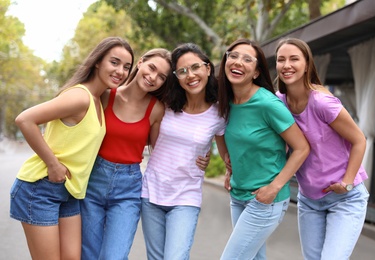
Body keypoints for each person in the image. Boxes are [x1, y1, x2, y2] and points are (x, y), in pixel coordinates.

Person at [9, 36, 134, 260]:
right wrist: (53, 164)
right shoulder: (80, 97)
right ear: (98, 62)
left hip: (70, 192)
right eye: (114, 62)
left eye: (127, 67)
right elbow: (24, 119)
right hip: (40, 188)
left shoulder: (99, 99)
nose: (121, 71)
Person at [275, 37, 369, 260]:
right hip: (309, 200)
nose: (286, 65)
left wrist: (346, 183)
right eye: (281, 60)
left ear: (307, 64)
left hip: (346, 198)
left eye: (294, 59)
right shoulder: (279, 103)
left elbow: (359, 140)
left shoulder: (322, 102)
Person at [217, 38, 310, 260]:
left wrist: (275, 187)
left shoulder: (268, 104)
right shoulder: (226, 102)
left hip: (266, 200)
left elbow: (301, 148)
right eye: (233, 56)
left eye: (247, 59)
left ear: (256, 72)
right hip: (238, 196)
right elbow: (226, 136)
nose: (238, 62)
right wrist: (230, 169)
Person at [80, 48, 173, 260]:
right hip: (92, 182)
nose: (153, 78)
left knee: (114, 256)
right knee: (88, 254)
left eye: (161, 77)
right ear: (140, 63)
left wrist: (198, 157)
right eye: (151, 68)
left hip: (128, 190)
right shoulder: (105, 97)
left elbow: (161, 151)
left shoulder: (157, 109)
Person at [140, 43, 228, 260]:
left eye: (195, 67)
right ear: (176, 77)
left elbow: (227, 154)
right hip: (151, 193)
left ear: (208, 68)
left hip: (186, 196)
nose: (190, 75)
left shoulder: (219, 113)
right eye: (182, 71)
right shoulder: (165, 104)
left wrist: (224, 167)